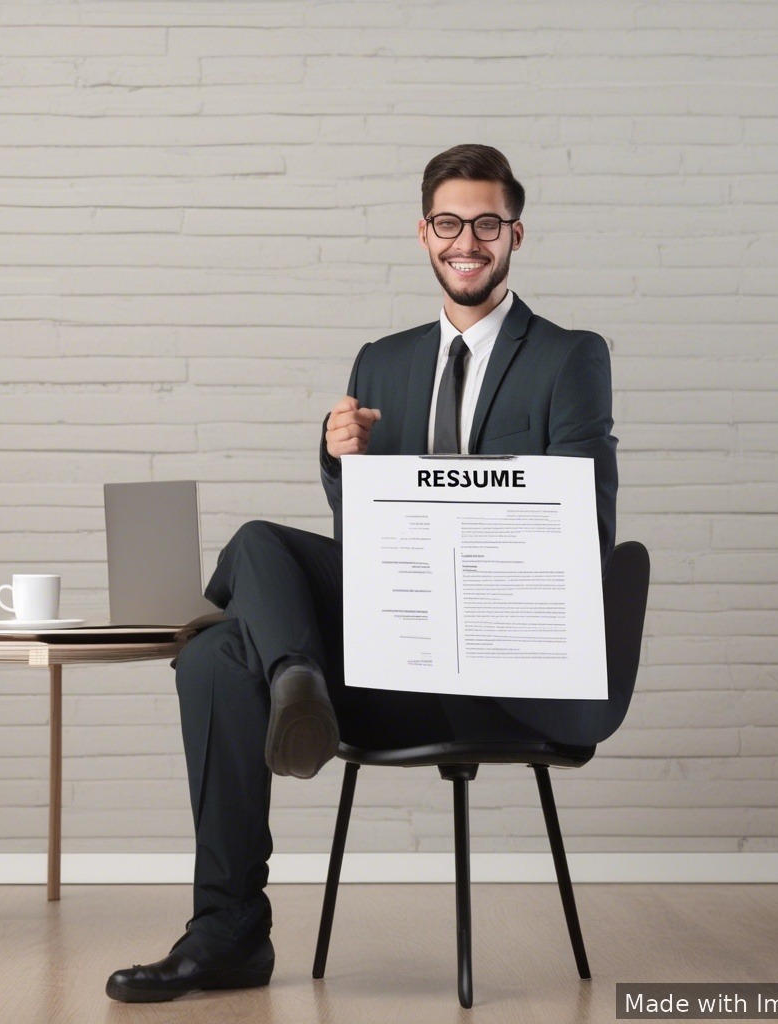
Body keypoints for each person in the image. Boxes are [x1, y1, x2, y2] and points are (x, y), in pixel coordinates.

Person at [105, 144, 620, 1003]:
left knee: (243, 578)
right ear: (424, 233)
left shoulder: (570, 357)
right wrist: (341, 461)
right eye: (449, 223)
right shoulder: (381, 361)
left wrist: (455, 507)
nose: (468, 241)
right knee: (220, 645)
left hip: (501, 662)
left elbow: (587, 525)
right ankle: (228, 929)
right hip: (397, 647)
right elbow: (368, 551)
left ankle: (283, 676)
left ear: (515, 235)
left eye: (487, 224)